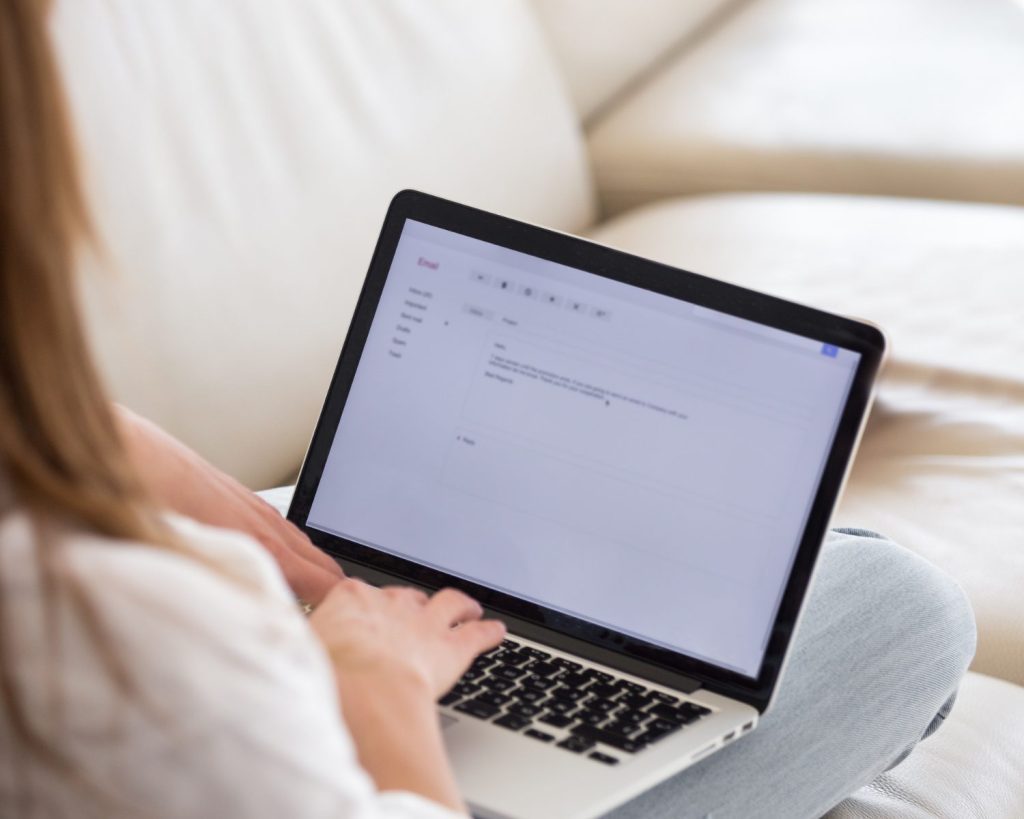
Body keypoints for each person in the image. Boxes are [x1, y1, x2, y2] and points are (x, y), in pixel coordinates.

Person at [0, 2, 975, 817]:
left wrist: (88, 434)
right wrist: (378, 692)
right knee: (895, 606)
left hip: (287, 674)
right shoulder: (115, 631)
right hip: (354, 743)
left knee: (819, 594)